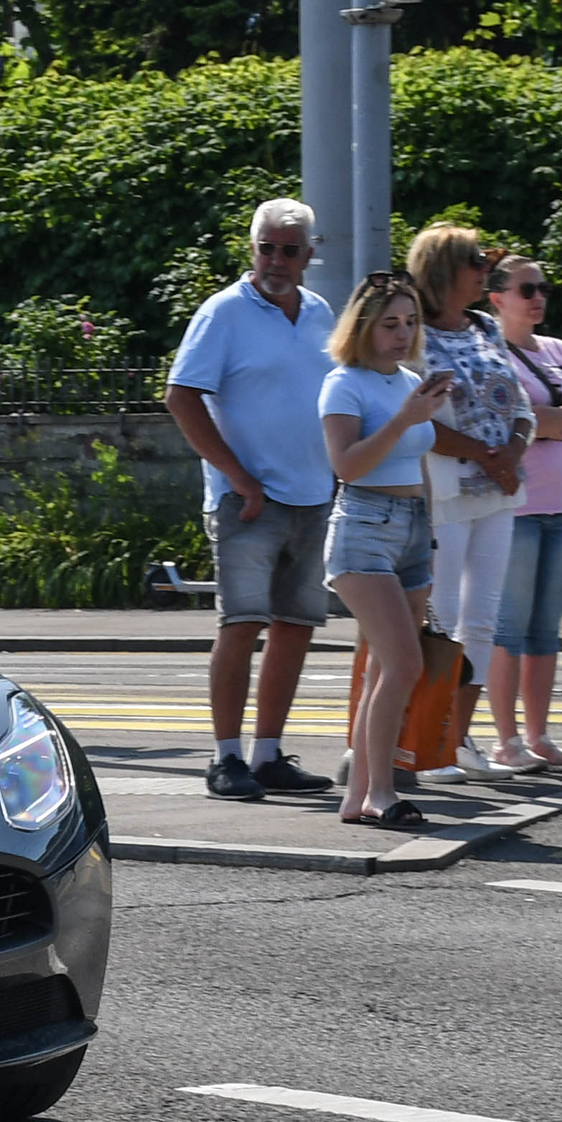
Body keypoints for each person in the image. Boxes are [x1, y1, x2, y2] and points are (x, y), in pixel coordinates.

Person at [165, 197, 340, 801]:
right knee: (241, 624)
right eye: (265, 246)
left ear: (309, 255)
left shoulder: (320, 313)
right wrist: (238, 477)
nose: (275, 260)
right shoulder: (223, 313)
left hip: (312, 494)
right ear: (252, 247)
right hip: (249, 501)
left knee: (295, 627)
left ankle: (269, 754)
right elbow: (181, 395)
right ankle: (225, 757)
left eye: (289, 250)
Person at [319, 273, 451, 828]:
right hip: (364, 527)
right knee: (403, 662)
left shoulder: (408, 382)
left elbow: (419, 461)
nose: (402, 334)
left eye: (411, 323)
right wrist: (405, 420)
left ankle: (361, 797)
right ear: (364, 327)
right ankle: (379, 792)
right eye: (390, 324)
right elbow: (345, 465)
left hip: (413, 527)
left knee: (384, 669)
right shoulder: (343, 385)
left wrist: (430, 529)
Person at [408, 225, 538, 782]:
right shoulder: (413, 335)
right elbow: (420, 422)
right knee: (441, 620)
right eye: (476, 261)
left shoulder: (486, 327)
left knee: (483, 619)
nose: (486, 269)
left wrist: (508, 452)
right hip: (446, 493)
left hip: (497, 491)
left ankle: (458, 739)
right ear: (444, 270)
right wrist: (489, 457)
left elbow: (523, 409)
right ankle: (426, 742)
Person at [487, 253, 562, 772]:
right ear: (497, 299)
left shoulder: (560, 350)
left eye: (542, 289)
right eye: (526, 289)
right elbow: (515, 420)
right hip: (518, 507)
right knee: (508, 629)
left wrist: (555, 420)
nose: (537, 298)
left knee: (544, 632)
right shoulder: (491, 351)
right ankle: (505, 741)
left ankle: (540, 736)